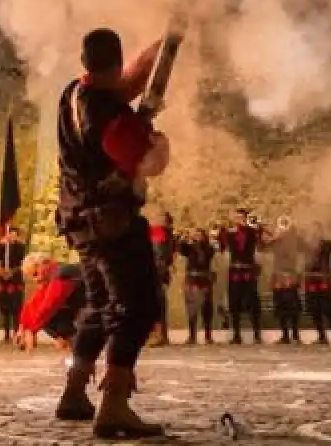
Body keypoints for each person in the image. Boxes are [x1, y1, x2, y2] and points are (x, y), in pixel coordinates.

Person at [53, 27, 169, 438]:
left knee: (101, 306)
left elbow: (125, 85)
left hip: (78, 218)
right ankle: (114, 405)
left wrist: (161, 46)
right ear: (114, 62)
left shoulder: (74, 92)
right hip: (110, 220)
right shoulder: (108, 114)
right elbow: (142, 162)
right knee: (136, 308)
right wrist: (156, 142)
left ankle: (74, 391)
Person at [219, 208, 264, 344]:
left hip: (248, 270)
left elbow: (261, 242)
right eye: (236, 217)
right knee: (234, 303)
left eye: (241, 217)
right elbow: (221, 247)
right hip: (235, 271)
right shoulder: (229, 233)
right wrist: (220, 232)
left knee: (253, 302)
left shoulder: (252, 231)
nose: (238, 220)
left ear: (245, 218)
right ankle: (236, 335)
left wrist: (256, 227)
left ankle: (257, 334)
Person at [302, 223, 331, 345]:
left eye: (317, 230)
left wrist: (319, 242)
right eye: (312, 230)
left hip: (323, 279)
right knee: (314, 309)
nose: (314, 233)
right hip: (310, 280)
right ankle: (322, 336)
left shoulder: (327, 244)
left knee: (328, 308)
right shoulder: (306, 246)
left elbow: (328, 250)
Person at [179, 226, 217, 344]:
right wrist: (184, 238)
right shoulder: (189, 247)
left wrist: (201, 243)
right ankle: (192, 336)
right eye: (196, 235)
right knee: (191, 308)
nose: (197, 237)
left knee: (206, 308)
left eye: (199, 235)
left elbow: (209, 253)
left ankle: (208, 335)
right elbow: (181, 248)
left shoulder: (208, 248)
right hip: (192, 279)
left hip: (204, 280)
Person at [267, 219, 303, 343]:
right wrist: (273, 237)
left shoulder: (294, 240)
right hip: (278, 276)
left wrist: (289, 236)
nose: (282, 229)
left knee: (293, 307)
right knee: (280, 306)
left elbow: (299, 251)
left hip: (290, 275)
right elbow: (262, 246)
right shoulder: (276, 240)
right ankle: (285, 335)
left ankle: (295, 334)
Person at [0, 223, 28, 345]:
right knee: (5, 308)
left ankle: (16, 334)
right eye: (10, 234)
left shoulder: (20, 247)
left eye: (14, 234)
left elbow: (22, 262)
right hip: (4, 279)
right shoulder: (3, 246)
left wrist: (12, 272)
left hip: (15, 279)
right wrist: (1, 244)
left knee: (16, 308)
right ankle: (6, 334)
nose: (11, 236)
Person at [148, 214, 174, 346]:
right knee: (159, 303)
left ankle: (158, 334)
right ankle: (161, 334)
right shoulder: (166, 234)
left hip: (156, 272)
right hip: (159, 271)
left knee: (156, 302)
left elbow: (161, 257)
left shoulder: (159, 232)